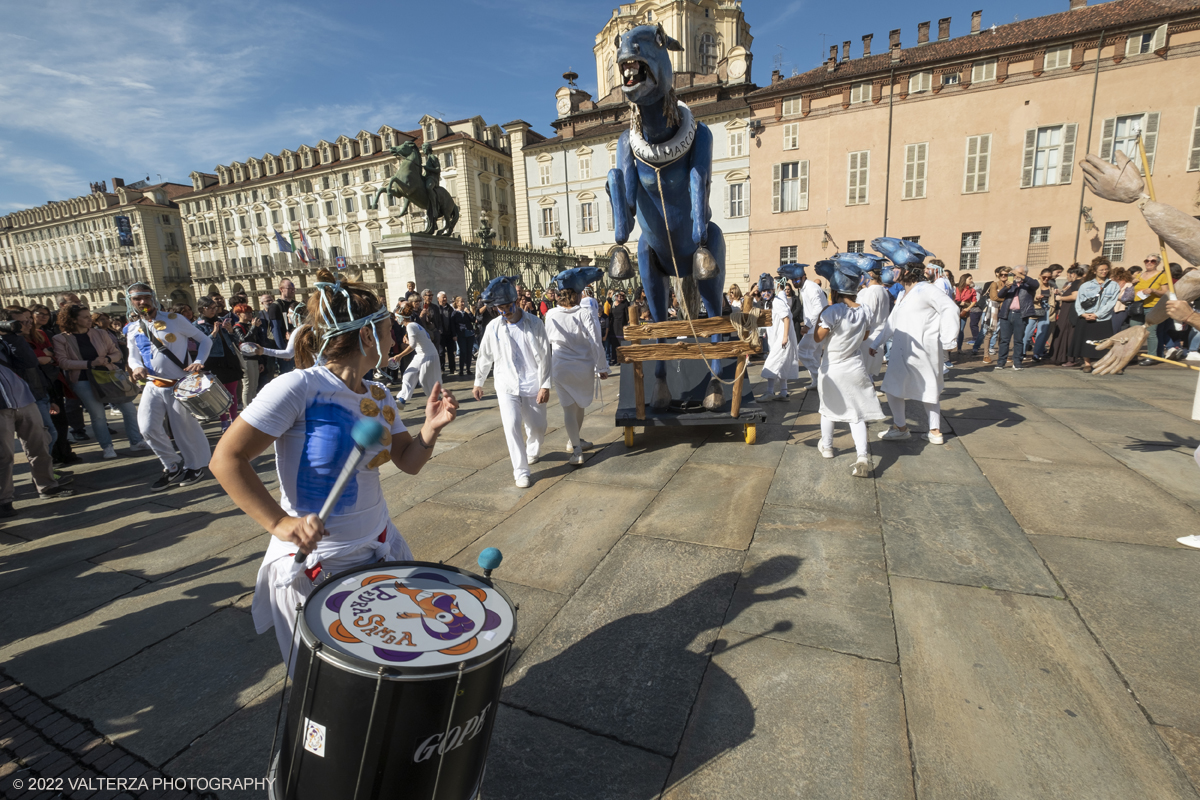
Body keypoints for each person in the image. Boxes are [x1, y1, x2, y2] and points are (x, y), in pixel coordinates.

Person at [211, 269, 459, 665]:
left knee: (388, 668)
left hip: (379, 549)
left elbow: (408, 462)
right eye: (387, 330)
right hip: (316, 565)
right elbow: (226, 459)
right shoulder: (298, 388)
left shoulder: (379, 394)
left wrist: (430, 428)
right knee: (329, 685)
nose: (394, 338)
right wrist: (279, 523)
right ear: (365, 336)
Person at [126, 283, 212, 490]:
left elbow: (205, 340)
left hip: (178, 384)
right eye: (137, 298)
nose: (142, 302)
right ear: (131, 302)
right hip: (152, 385)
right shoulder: (132, 328)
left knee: (184, 428)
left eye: (145, 297)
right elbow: (132, 356)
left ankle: (195, 465)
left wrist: (199, 360)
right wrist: (136, 367)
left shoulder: (175, 320)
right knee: (146, 428)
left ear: (153, 297)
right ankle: (172, 465)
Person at [473, 276, 551, 488]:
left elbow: (545, 355)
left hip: (532, 382)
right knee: (511, 425)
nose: (505, 312)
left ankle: (533, 449)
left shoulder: (534, 323)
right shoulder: (493, 327)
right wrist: (478, 381)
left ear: (515, 302)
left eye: (508, 307)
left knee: (537, 426)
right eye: (500, 308)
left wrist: (545, 384)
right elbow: (485, 355)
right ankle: (521, 471)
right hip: (506, 384)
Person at [869, 265, 960, 445]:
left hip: (923, 349)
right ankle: (900, 427)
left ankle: (934, 430)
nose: (891, 271)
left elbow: (950, 308)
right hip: (902, 349)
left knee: (929, 388)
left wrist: (949, 340)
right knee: (892, 387)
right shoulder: (903, 294)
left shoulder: (926, 289)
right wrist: (876, 342)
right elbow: (891, 323)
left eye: (896, 267)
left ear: (907, 270)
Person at [813, 262, 884, 478]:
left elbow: (818, 338)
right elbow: (864, 336)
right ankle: (862, 456)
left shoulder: (833, 311)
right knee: (857, 413)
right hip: (855, 366)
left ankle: (827, 447)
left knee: (827, 409)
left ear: (834, 290)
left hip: (832, 368)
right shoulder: (865, 310)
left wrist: (821, 317)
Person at [52, 304, 149, 459]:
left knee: (129, 409)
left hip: (109, 376)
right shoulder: (61, 339)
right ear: (73, 320)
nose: (89, 319)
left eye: (88, 316)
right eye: (84, 317)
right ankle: (107, 447)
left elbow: (116, 353)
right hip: (83, 379)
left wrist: (108, 359)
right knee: (98, 415)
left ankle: (136, 442)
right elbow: (63, 362)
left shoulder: (101, 334)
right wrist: (90, 364)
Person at [0, 311, 74, 513]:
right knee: (4, 456)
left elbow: (28, 362)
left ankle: (47, 486)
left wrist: (12, 336)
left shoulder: (6, 340)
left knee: (39, 445)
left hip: (24, 399)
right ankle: (4, 501)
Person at [544, 269, 609, 466]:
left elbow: (545, 342)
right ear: (579, 294)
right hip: (583, 366)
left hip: (561, 365)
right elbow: (595, 340)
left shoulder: (552, 314)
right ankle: (575, 441)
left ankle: (576, 447)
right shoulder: (585, 313)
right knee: (579, 405)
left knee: (569, 409)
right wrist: (601, 366)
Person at [195, 296, 245, 431]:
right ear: (201, 309)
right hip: (214, 361)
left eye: (214, 308)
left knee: (232, 392)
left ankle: (234, 419)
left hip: (229, 358)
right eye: (210, 308)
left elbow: (235, 339)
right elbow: (201, 344)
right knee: (219, 394)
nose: (213, 311)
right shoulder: (197, 325)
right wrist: (214, 333)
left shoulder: (222, 320)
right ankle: (224, 421)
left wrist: (230, 330)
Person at [1072, 259, 1121, 373]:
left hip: (1103, 318)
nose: (1104, 272)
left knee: (1105, 343)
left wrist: (1097, 314)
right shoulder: (1085, 285)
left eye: (1106, 269)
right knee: (1086, 341)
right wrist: (1083, 314)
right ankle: (1087, 364)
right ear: (1094, 271)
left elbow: (1111, 303)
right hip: (1086, 317)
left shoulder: (1113, 285)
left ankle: (1108, 364)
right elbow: (1079, 301)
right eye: (1101, 270)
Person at [757, 273, 799, 401]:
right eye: (763, 291)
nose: (766, 293)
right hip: (776, 339)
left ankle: (770, 392)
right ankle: (784, 393)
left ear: (773, 290)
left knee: (772, 363)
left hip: (782, 339)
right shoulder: (766, 304)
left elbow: (786, 318)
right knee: (782, 364)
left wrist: (785, 337)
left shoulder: (777, 302)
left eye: (768, 290)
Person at [392, 301, 441, 408]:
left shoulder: (411, 326)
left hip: (428, 355)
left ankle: (437, 401)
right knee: (408, 374)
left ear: (401, 317)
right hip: (421, 355)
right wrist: (409, 342)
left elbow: (413, 345)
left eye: (396, 317)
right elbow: (420, 341)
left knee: (425, 381)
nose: (396, 319)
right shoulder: (414, 325)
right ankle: (402, 399)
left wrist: (399, 356)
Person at [993, 265, 1038, 371]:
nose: (1015, 275)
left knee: (1018, 340)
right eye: (1014, 273)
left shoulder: (1028, 285)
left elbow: (1036, 284)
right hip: (1006, 314)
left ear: (1025, 274)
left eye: (1019, 273)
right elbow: (1000, 295)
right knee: (1004, 340)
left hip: (1020, 314)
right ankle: (1001, 362)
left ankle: (1017, 362)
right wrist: (1006, 287)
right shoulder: (1011, 284)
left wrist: (1020, 276)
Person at [1130, 253, 1168, 364]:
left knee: (1151, 332)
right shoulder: (1139, 275)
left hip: (1153, 307)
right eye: (1147, 261)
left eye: (1153, 261)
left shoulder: (1162, 275)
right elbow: (1133, 291)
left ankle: (1152, 357)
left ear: (1158, 263)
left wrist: (1154, 291)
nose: (1149, 263)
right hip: (1138, 306)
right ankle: (1133, 355)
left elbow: (1166, 292)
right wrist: (1132, 284)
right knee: (1134, 331)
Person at [233, 303, 268, 405]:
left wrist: (261, 361)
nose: (249, 315)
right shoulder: (237, 327)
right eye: (246, 313)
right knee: (248, 385)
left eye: (250, 312)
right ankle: (246, 408)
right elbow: (244, 341)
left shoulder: (250, 326)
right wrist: (254, 327)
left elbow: (256, 344)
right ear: (238, 314)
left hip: (254, 357)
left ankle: (253, 406)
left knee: (254, 385)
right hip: (245, 359)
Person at [1050, 266, 1086, 366]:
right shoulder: (1080, 283)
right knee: (1067, 333)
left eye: (1067, 275)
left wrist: (1060, 297)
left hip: (1070, 312)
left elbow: (1074, 296)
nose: (1067, 277)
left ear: (1073, 274)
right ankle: (1064, 357)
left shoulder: (1076, 283)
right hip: (1071, 311)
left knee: (1067, 334)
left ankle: (1068, 358)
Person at [796, 268, 829, 376]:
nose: (794, 282)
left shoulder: (811, 288)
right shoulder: (805, 288)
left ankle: (820, 377)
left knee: (801, 351)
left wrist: (807, 325)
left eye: (796, 280)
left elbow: (818, 308)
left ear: (803, 277)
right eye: (792, 280)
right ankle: (816, 382)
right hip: (816, 327)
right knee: (814, 354)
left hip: (815, 327)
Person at [267, 279, 300, 374]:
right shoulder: (275, 306)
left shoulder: (296, 304)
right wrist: (283, 352)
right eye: (290, 288)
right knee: (288, 373)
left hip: (297, 345)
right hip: (285, 346)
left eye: (294, 289)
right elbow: (276, 330)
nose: (293, 291)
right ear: (281, 289)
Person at [452, 296, 477, 377]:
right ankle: (461, 369)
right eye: (461, 302)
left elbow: (473, 320)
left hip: (469, 334)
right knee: (463, 351)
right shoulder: (455, 313)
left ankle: (468, 369)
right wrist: (454, 335)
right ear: (457, 303)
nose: (463, 303)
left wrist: (469, 312)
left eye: (463, 301)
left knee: (469, 351)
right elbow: (452, 325)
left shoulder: (466, 311)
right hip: (461, 334)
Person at [953, 274, 978, 355]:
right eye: (969, 278)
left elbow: (974, 301)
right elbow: (953, 298)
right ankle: (950, 346)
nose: (971, 280)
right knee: (953, 329)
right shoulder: (956, 288)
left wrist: (968, 308)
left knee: (961, 330)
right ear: (964, 279)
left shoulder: (972, 290)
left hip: (964, 311)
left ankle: (959, 348)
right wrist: (959, 302)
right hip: (954, 310)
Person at [434, 291, 456, 374]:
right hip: (441, 334)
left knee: (451, 352)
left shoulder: (450, 308)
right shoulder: (436, 309)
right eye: (443, 297)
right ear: (438, 299)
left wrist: (454, 334)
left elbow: (453, 322)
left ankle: (452, 368)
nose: (445, 299)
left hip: (449, 334)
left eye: (445, 297)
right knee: (441, 352)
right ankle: (442, 368)